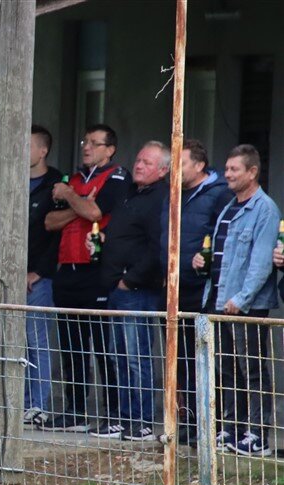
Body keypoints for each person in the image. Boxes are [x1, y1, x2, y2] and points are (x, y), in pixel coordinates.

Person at [37, 124, 131, 432]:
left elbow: (95, 213)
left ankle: (113, 414)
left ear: (110, 149)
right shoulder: (73, 180)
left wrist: (72, 199)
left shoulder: (117, 177)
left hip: (97, 270)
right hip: (67, 270)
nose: (86, 147)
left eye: (94, 143)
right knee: (70, 346)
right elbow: (50, 221)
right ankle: (75, 410)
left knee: (104, 348)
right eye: (84, 141)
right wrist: (78, 201)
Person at [192, 144, 280, 457]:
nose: (227, 174)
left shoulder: (265, 209)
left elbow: (260, 264)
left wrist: (241, 299)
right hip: (218, 298)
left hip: (246, 305)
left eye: (234, 170)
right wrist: (200, 263)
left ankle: (257, 435)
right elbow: (220, 253)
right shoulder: (229, 207)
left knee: (252, 370)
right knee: (226, 368)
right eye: (227, 169)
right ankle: (231, 428)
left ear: (252, 172)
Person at [87, 141, 170, 441]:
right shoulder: (130, 194)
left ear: (162, 170)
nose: (138, 165)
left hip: (137, 290)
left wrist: (131, 280)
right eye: (137, 159)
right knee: (118, 356)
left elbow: (156, 247)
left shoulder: (161, 198)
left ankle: (144, 421)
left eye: (147, 162)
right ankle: (123, 419)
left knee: (137, 357)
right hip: (116, 287)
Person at [160, 139, 233, 446]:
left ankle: (211, 424)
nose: (174, 169)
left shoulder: (218, 195)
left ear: (200, 165)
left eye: (182, 163)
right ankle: (187, 422)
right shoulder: (173, 192)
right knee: (180, 361)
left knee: (206, 359)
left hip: (202, 290)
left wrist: (204, 260)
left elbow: (222, 237)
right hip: (173, 288)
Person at [22, 126, 63, 426]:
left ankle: (38, 406)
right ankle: (21, 405)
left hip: (40, 278)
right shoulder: (14, 179)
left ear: (43, 151)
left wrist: (38, 271)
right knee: (17, 343)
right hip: (13, 276)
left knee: (38, 343)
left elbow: (57, 236)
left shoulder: (56, 184)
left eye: (29, 145)